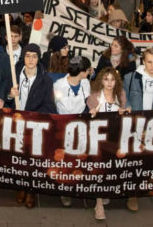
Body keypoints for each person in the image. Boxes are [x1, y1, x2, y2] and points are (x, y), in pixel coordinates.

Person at [122, 47, 153, 211]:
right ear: (144, 61)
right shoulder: (130, 78)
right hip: (135, 124)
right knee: (133, 160)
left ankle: (141, 187)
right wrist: (127, 108)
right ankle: (132, 195)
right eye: (149, 62)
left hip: (152, 124)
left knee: (146, 159)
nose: (152, 66)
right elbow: (124, 98)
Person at [10, 43, 56, 208]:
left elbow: (50, 106)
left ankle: (31, 191)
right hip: (15, 124)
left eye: (34, 56)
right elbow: (2, 97)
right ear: (23, 57)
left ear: (38, 58)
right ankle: (21, 186)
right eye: (28, 56)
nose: (30, 59)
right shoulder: (15, 75)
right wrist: (10, 95)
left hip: (34, 126)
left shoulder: (45, 80)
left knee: (32, 160)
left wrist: (33, 117)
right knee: (18, 159)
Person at [87, 67, 126, 220]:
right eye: (106, 79)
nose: (109, 83)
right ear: (101, 81)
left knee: (110, 168)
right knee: (99, 168)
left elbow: (124, 117)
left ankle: (103, 192)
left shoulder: (121, 95)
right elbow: (87, 119)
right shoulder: (94, 97)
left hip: (115, 137)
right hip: (98, 138)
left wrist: (125, 113)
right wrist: (92, 115)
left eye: (112, 79)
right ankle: (98, 204)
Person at [53, 56, 92, 207]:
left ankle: (79, 187)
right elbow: (63, 106)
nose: (89, 73)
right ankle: (65, 191)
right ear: (82, 71)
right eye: (88, 70)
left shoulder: (86, 83)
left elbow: (86, 102)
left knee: (80, 159)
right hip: (64, 127)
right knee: (65, 160)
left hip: (81, 127)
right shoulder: (59, 85)